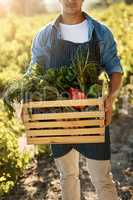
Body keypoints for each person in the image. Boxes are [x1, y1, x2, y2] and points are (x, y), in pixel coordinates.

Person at [25, 0, 124, 200]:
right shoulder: (45, 36)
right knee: (68, 176)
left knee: (102, 178)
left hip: (92, 116)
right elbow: (33, 73)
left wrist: (110, 100)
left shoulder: (100, 32)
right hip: (58, 116)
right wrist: (25, 102)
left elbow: (115, 69)